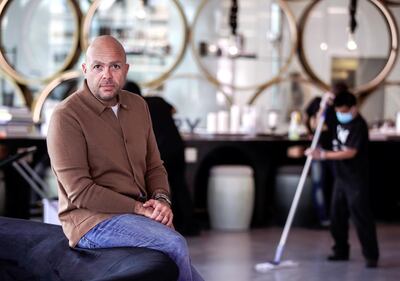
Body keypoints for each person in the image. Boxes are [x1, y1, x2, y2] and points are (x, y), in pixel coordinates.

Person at [47, 35, 204, 281]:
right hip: (91, 221)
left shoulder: (138, 106)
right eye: (98, 66)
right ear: (85, 69)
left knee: (172, 250)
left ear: (126, 70)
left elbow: (154, 166)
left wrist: (161, 200)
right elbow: (79, 191)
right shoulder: (66, 116)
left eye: (115, 66)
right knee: (173, 244)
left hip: (134, 215)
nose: (107, 75)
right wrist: (138, 209)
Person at [305, 90, 379, 268]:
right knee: (337, 216)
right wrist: (324, 102)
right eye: (339, 111)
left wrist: (323, 155)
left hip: (356, 179)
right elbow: (320, 118)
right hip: (340, 177)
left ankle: (371, 255)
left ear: (354, 108)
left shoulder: (359, 125)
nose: (342, 115)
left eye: (345, 111)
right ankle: (340, 251)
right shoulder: (336, 115)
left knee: (361, 217)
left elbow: (350, 152)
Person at [123, 81, 200, 236]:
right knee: (179, 184)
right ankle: (190, 224)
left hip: (161, 152)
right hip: (177, 147)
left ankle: (168, 224)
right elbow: (174, 110)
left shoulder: (135, 108)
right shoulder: (157, 100)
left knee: (159, 188)